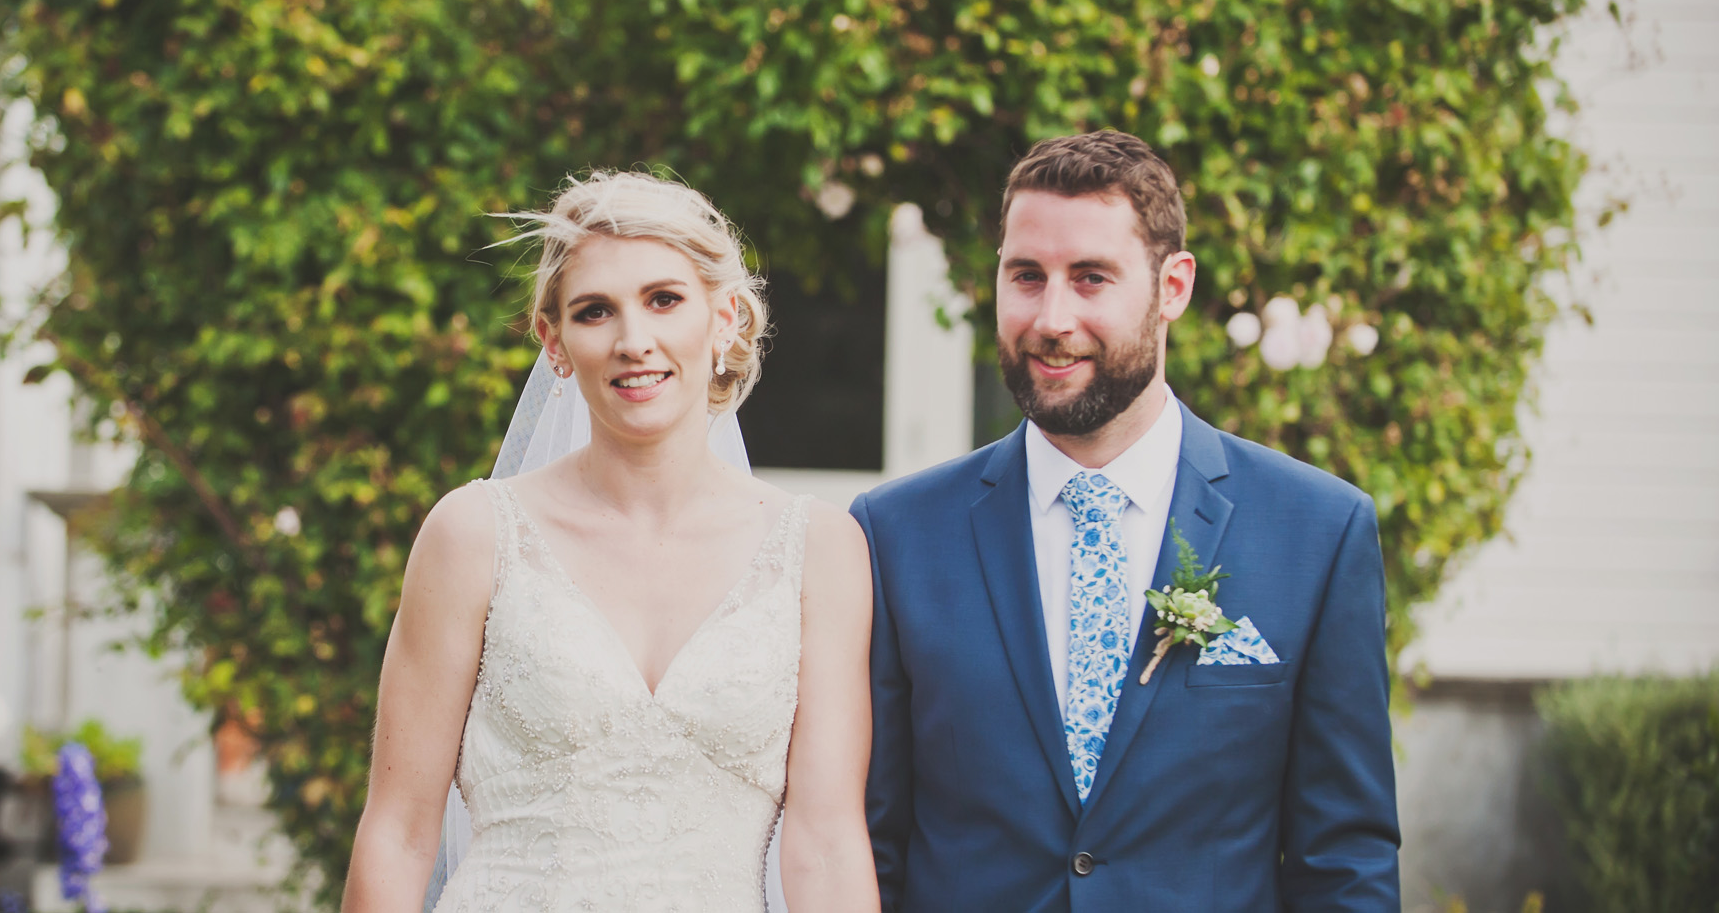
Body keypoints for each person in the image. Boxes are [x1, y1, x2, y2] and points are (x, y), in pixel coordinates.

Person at [852, 130, 1401, 911]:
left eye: (1091, 279)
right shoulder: (892, 536)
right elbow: (868, 846)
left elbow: (1345, 859)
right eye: (1027, 276)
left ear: (1172, 286)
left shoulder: (1318, 531)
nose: (1052, 318)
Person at [342, 171, 879, 913]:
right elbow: (399, 834)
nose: (633, 342)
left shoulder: (819, 550)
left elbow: (827, 846)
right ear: (554, 342)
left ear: (724, 317)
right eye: (595, 311)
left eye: (664, 299)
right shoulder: (472, 536)